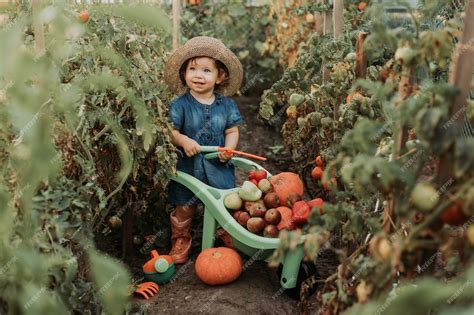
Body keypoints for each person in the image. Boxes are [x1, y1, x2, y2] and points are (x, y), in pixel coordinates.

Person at [163, 36, 243, 264]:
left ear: (221, 77)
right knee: (184, 207)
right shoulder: (180, 105)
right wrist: (184, 141)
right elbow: (171, 131)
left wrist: (229, 149)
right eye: (193, 69)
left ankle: (225, 234)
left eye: (207, 70)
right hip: (188, 167)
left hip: (218, 166)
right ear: (184, 73)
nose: (198, 75)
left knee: (223, 204)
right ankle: (181, 239)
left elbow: (232, 131)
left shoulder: (227, 105)